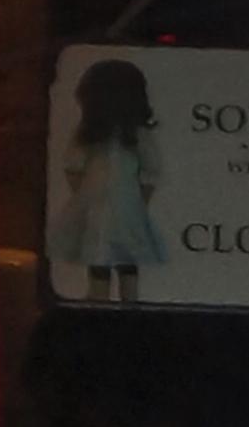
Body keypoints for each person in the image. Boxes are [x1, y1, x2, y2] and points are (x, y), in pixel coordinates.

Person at [52, 55, 168, 302]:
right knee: (122, 257)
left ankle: (103, 300)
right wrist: (140, 202)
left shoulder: (94, 135)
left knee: (102, 255)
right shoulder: (134, 134)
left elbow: (73, 166)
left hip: (103, 205)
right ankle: (121, 301)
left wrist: (82, 197)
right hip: (124, 205)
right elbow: (151, 172)